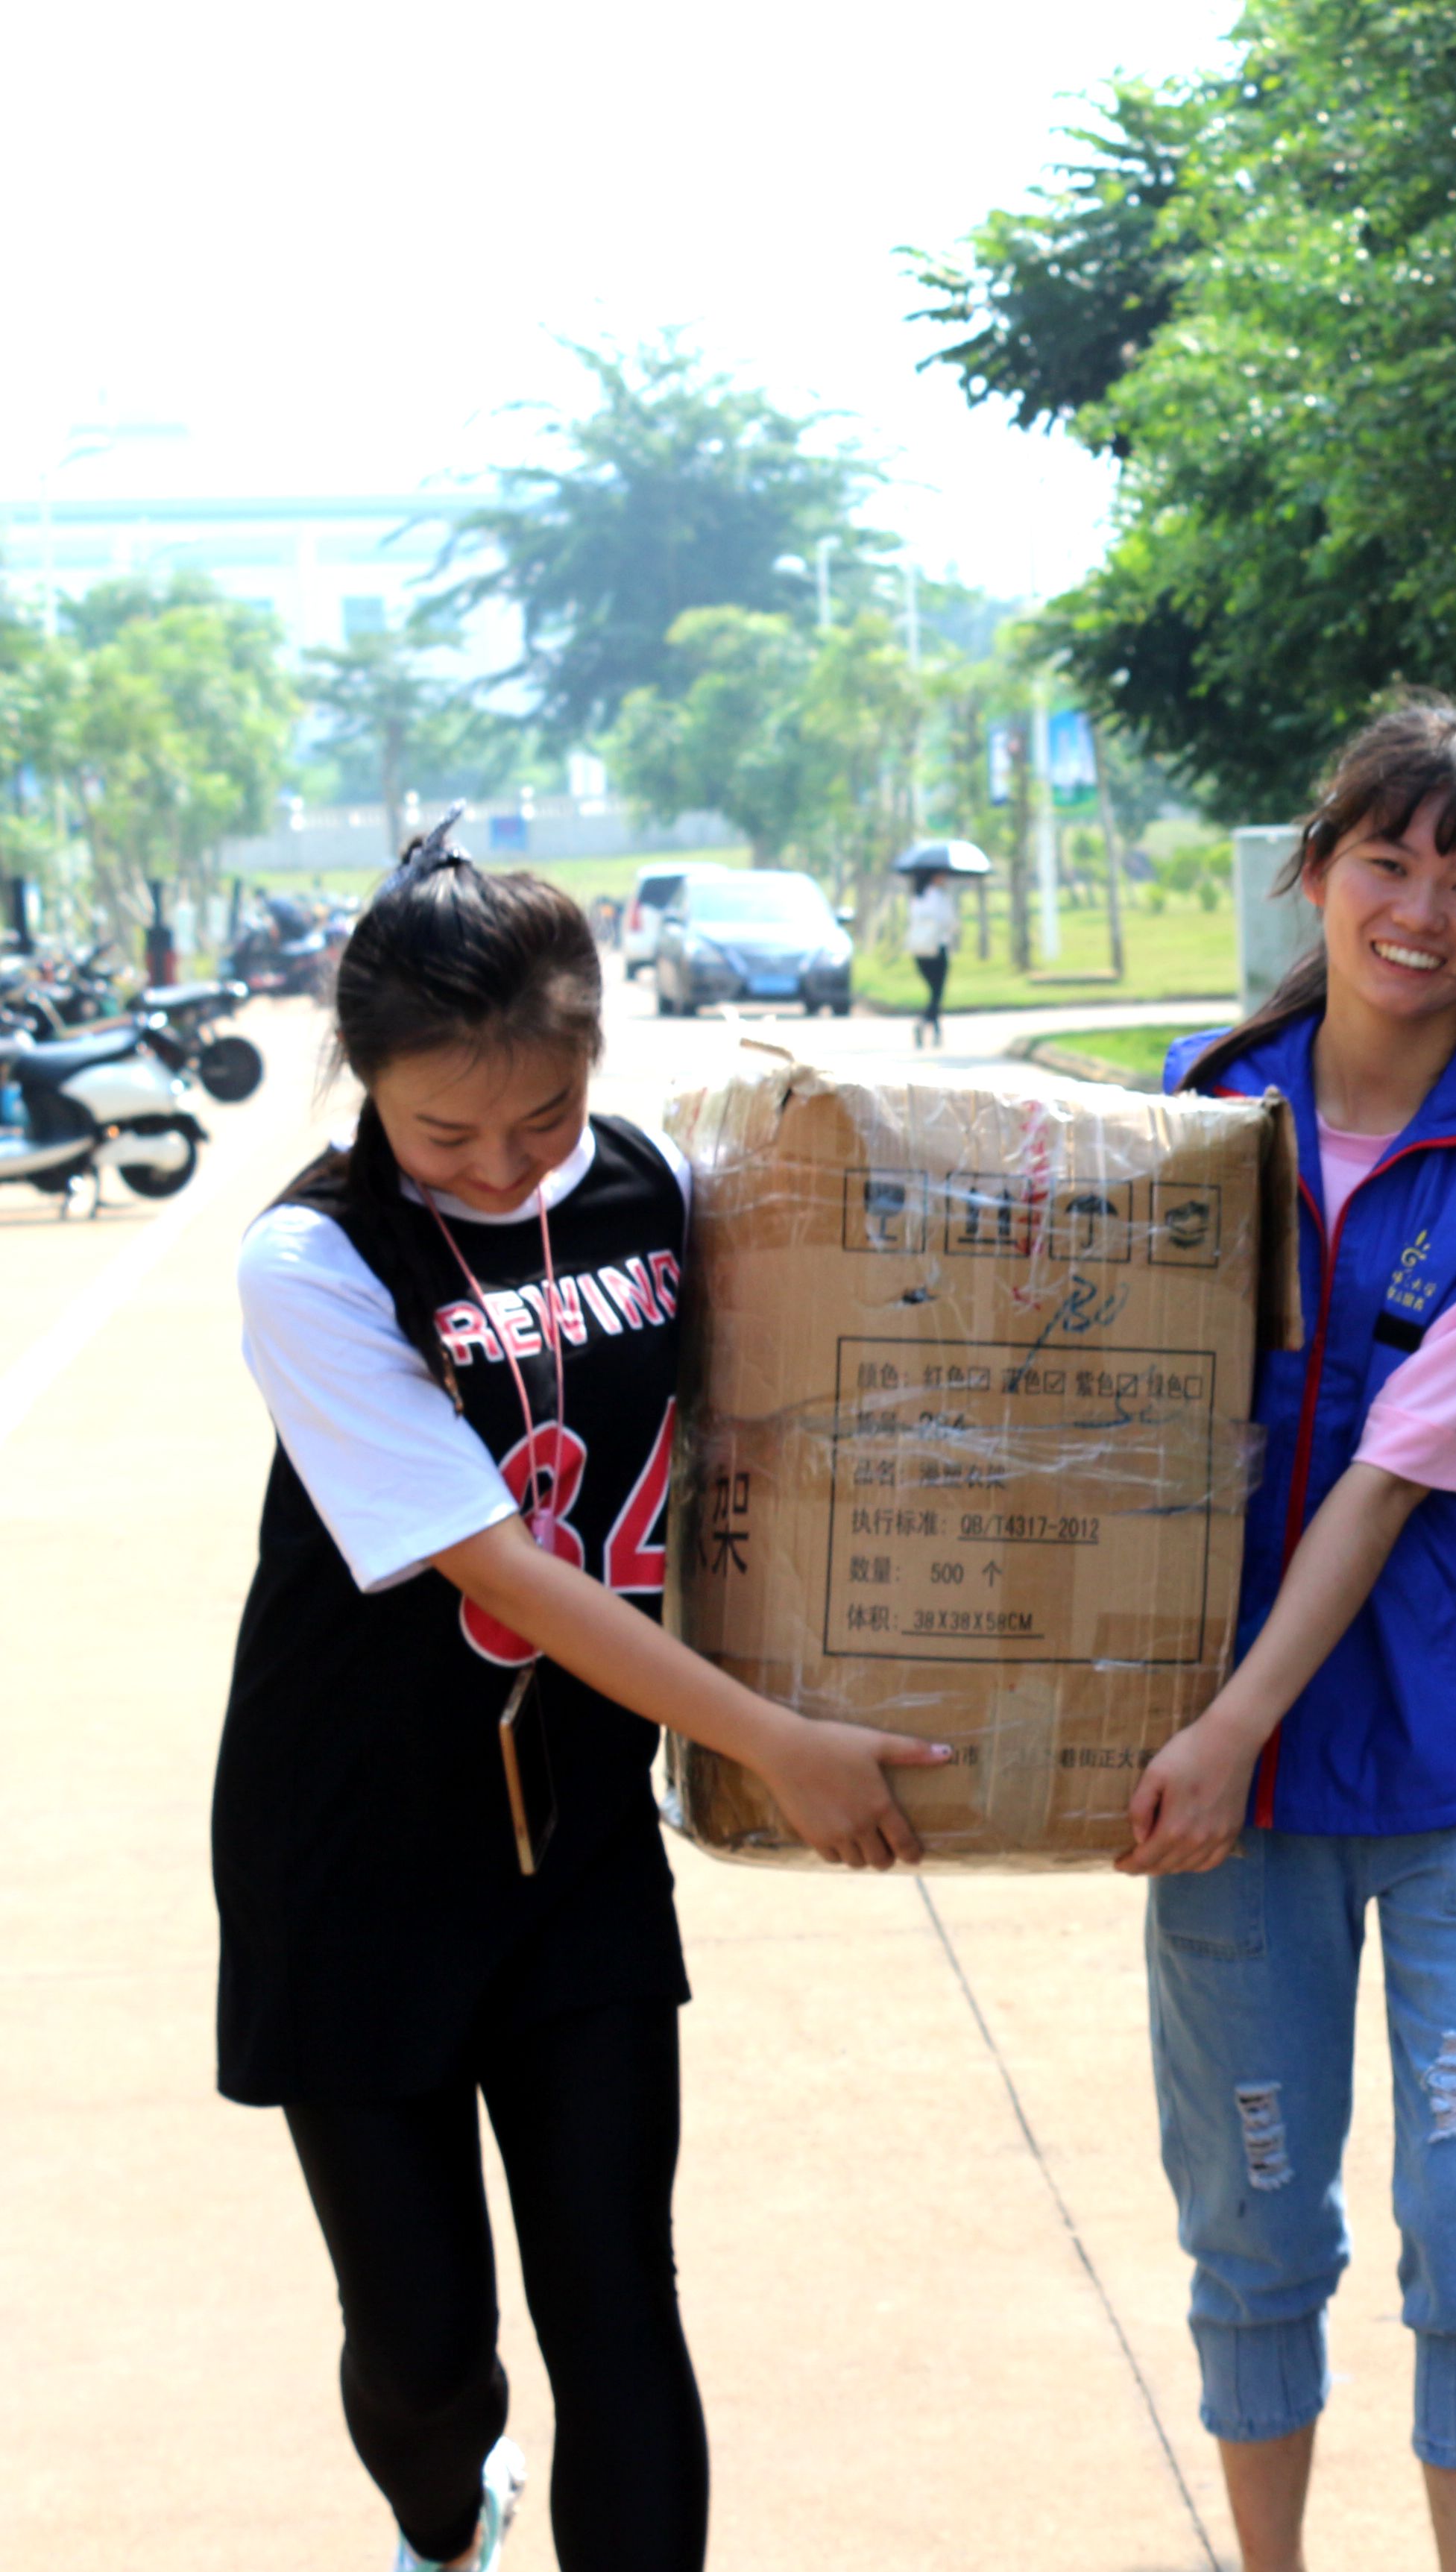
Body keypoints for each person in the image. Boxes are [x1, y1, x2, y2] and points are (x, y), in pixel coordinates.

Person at [218, 821, 952, 2572]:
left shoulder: (654, 1188)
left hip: (576, 1840)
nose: (498, 1164)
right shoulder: (314, 1263)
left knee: (618, 2292)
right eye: (443, 1133)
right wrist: (770, 1740)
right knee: (425, 2349)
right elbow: (499, 1567)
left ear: (595, 1054)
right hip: (354, 1847)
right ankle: (444, 2511)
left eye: (541, 1117)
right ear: (366, 1083)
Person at [1148, 703, 1456, 2572]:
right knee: (1253, 2211)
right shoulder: (1195, 1114)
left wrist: (1225, 1727)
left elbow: (1393, 1474)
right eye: (1389, 860)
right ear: (1316, 865)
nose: (1421, 910)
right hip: (1234, 1774)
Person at [906, 869, 960, 1047]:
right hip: (937, 947)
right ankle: (924, 1024)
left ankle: (936, 1029)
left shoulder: (916, 897)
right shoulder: (938, 897)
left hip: (919, 949)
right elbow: (948, 921)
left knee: (934, 991)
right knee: (937, 991)